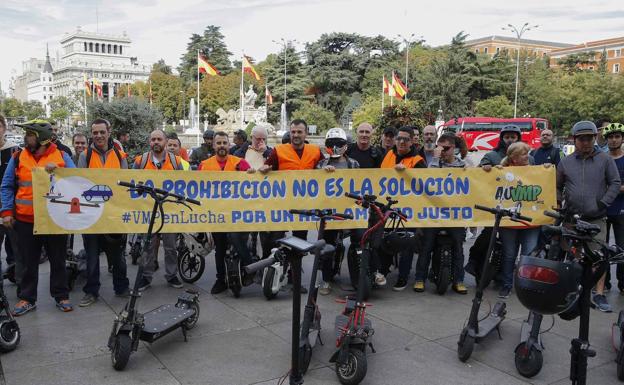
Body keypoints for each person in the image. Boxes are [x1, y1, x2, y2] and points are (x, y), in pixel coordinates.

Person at [1, 120, 75, 315]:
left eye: (30, 134)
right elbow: (7, 185)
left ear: (41, 138)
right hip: (25, 221)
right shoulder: (18, 157)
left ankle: (61, 295)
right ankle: (27, 298)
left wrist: (60, 172)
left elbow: (77, 181)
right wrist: (7, 212)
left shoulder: (62, 156)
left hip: (55, 219)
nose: (27, 137)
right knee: (27, 262)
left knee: (58, 259)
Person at [556, 121, 621, 312]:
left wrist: (603, 203)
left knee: (599, 258)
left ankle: (599, 294)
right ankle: (574, 291)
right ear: (575, 140)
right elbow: (557, 185)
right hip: (572, 219)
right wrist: (559, 202)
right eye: (581, 139)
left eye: (589, 138)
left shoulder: (605, 160)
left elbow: (615, 182)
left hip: (596, 218)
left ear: (595, 138)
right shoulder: (565, 162)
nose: (585, 142)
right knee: (573, 255)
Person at [316, 128, 382, 295]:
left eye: (340, 144)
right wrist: (322, 173)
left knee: (360, 238)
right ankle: (326, 279)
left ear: (346, 146)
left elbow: (360, 184)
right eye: (332, 144)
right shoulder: (320, 164)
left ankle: (365, 274)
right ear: (326, 146)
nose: (336, 147)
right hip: (330, 211)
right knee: (327, 244)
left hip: (352, 210)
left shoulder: (354, 164)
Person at [260, 119, 322, 293]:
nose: (295, 135)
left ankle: (295, 280)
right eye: (293, 132)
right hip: (281, 206)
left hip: (303, 207)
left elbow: (322, 169)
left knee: (299, 244)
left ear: (305, 134)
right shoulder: (279, 151)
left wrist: (328, 168)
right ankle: (270, 275)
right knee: (275, 240)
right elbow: (267, 168)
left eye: (299, 132)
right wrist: (264, 169)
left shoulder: (315, 151)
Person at [76, 119, 130, 306]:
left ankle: (121, 287)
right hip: (91, 215)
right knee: (91, 255)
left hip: (113, 215)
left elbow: (125, 184)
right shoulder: (85, 155)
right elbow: (80, 183)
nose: (98, 135)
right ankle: (91, 291)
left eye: (101, 132)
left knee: (118, 255)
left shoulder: (120, 155)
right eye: (95, 132)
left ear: (109, 132)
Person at [198, 131, 255, 294]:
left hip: (237, 213)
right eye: (219, 143)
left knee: (237, 239)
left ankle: (250, 268)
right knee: (220, 248)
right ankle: (220, 279)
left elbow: (253, 185)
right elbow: (199, 188)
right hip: (216, 214)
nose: (222, 146)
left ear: (229, 145)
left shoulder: (240, 163)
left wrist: (251, 175)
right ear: (213, 145)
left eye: (224, 143)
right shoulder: (204, 165)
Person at [414, 132, 468, 294]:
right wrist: (436, 159)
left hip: (456, 215)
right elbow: (430, 178)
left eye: (446, 148)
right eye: (440, 147)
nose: (443, 151)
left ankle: (458, 280)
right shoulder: (434, 163)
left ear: (455, 148)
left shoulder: (464, 165)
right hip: (433, 214)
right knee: (426, 247)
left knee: (458, 247)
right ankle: (419, 278)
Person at [134, 129, 184, 291]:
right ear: (149, 142)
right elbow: (132, 183)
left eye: (159, 139)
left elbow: (183, 184)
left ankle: (171, 275)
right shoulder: (140, 161)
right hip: (147, 210)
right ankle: (146, 277)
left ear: (165, 141)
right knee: (147, 246)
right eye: (153, 139)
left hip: (169, 210)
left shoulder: (176, 162)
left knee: (170, 247)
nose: (156, 142)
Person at [496, 142, 546, 299]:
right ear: (514, 158)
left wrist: (546, 171)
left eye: (528, 152)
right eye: (524, 154)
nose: (528, 156)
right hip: (509, 222)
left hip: (531, 222)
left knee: (528, 255)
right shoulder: (501, 171)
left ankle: (525, 286)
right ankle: (506, 284)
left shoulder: (536, 171)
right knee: (509, 255)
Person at [380, 126, 426, 291]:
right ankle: (383, 271)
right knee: (384, 239)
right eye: (399, 138)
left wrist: (407, 173)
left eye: (405, 139)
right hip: (388, 206)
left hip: (409, 209)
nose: (401, 142)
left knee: (407, 242)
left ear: (412, 140)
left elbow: (423, 186)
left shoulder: (418, 160)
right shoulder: (389, 154)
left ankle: (403, 277)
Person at [602, 123, 624, 292]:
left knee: (622, 247)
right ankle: (604, 282)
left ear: (622, 139)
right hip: (603, 209)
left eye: (617, 136)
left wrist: (613, 188)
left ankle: (622, 283)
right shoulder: (602, 158)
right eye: (610, 137)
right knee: (601, 247)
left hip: (621, 209)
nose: (614, 140)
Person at [0, 115, 20, 280]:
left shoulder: (15, 150)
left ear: (4, 128)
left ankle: (18, 280)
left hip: (11, 209)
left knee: (16, 250)